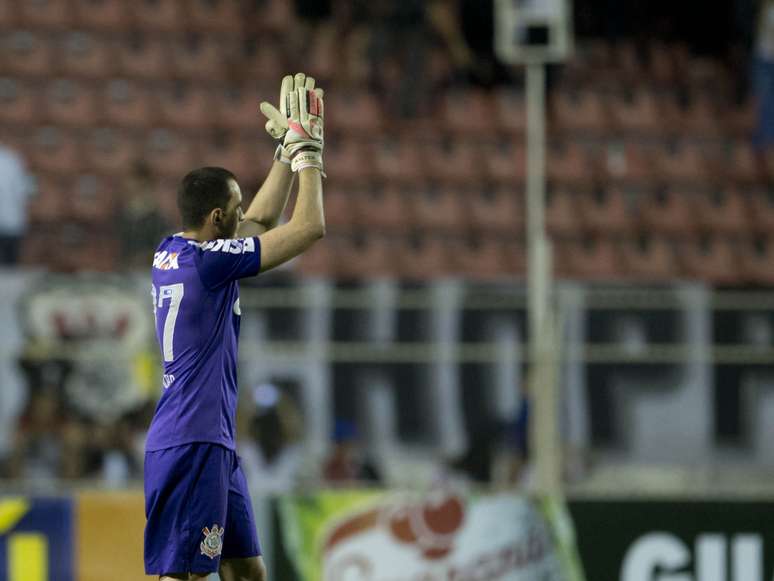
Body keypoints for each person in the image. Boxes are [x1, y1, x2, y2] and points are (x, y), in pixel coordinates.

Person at [143, 73, 326, 581]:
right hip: (193, 439)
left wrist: (283, 153)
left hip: (208, 440)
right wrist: (308, 155)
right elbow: (307, 228)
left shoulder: (173, 250)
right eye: (236, 210)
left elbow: (262, 220)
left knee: (247, 570)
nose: (247, 216)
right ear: (218, 217)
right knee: (185, 575)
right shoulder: (209, 265)